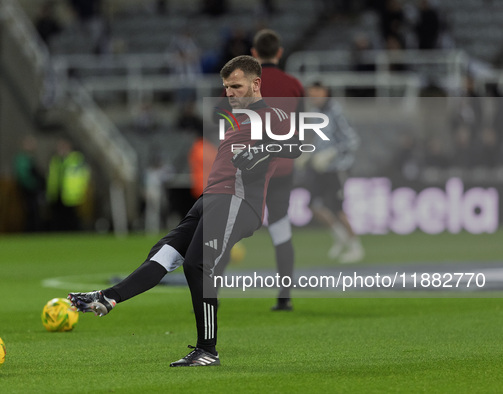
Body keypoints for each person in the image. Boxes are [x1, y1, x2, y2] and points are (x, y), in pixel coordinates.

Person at [68, 55, 301, 367]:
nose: (229, 92)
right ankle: (108, 298)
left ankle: (208, 350)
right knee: (164, 253)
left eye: (236, 86)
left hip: (238, 201)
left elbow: (294, 143)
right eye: (226, 87)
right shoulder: (238, 117)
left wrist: (259, 152)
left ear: (256, 84)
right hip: (211, 199)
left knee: (197, 264)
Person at [214, 29, 304, 311]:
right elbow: (298, 129)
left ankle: (209, 294)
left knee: (227, 231)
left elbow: (223, 119)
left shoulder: (242, 84)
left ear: (254, 53)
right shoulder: (293, 85)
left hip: (245, 170)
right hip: (282, 169)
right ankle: (284, 296)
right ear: (280, 52)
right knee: (280, 227)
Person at [299, 82, 364, 264]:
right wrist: (308, 154)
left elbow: (352, 140)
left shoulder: (337, 112)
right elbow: (318, 141)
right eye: (311, 93)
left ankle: (355, 246)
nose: (313, 97)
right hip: (320, 167)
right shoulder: (315, 113)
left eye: (316, 93)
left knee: (337, 208)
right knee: (313, 205)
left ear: (326, 93)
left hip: (338, 167)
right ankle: (340, 236)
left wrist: (332, 153)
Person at [46, 138, 91, 232]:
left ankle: (75, 235)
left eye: (63, 146)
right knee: (58, 218)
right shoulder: (55, 160)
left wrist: (83, 189)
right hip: (56, 193)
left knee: (72, 218)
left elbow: (84, 175)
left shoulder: (76, 159)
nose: (60, 149)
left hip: (71, 193)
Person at [13, 135, 45, 232]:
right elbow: (24, 177)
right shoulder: (22, 159)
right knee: (31, 211)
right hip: (28, 190)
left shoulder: (31, 158)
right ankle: (31, 230)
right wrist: (35, 185)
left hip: (33, 189)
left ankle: (35, 229)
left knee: (35, 211)